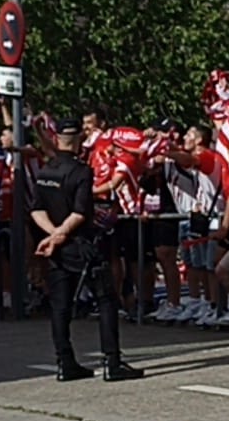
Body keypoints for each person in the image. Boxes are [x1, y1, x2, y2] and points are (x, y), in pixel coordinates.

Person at [28, 117, 143, 382]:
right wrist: (60, 234)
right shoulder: (81, 171)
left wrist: (52, 235)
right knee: (106, 300)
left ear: (57, 139)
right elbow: (80, 212)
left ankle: (64, 362)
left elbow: (36, 209)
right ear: (79, 139)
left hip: (56, 248)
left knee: (60, 306)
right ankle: (112, 362)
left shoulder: (46, 171)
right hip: (82, 245)